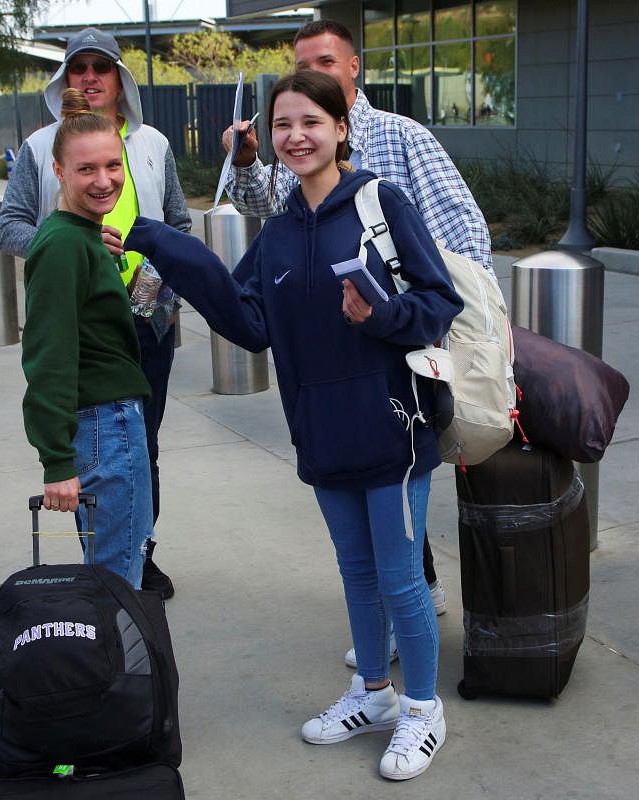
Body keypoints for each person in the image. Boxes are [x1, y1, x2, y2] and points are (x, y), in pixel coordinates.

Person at [127, 70, 462, 781]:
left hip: (392, 425)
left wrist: (383, 316)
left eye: (310, 121)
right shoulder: (278, 232)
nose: (295, 136)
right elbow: (249, 324)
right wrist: (165, 247)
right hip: (319, 429)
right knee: (356, 574)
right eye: (282, 125)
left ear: (342, 128)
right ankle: (373, 694)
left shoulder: (380, 202)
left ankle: (423, 709)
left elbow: (439, 300)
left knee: (401, 580)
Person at [222, 19, 494, 663]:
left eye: (325, 61)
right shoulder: (297, 154)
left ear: (354, 69)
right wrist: (242, 161)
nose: (297, 132)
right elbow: (269, 214)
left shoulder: (399, 142)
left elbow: (461, 231)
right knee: (367, 551)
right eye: (300, 63)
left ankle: (417, 649)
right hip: (331, 376)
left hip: (399, 356)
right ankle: (383, 663)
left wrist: (416, 313)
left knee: (399, 520)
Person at [0, 27, 189, 597]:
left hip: (143, 321)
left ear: (118, 79)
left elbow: (176, 226)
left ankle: (136, 551)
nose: (88, 77)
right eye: (77, 66)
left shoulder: (151, 143)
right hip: (87, 340)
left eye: (100, 67)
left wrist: (151, 286)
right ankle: (115, 599)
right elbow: (49, 356)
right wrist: (76, 256)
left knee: (140, 452)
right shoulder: (42, 157)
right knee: (111, 550)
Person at [21, 88, 154, 590]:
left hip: (112, 420)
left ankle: (116, 665)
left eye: (113, 165)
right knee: (116, 579)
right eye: (86, 170)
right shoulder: (62, 245)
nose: (104, 181)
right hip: (104, 423)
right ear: (58, 171)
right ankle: (114, 670)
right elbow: (48, 355)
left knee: (119, 566)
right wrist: (56, 460)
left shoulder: (81, 236)